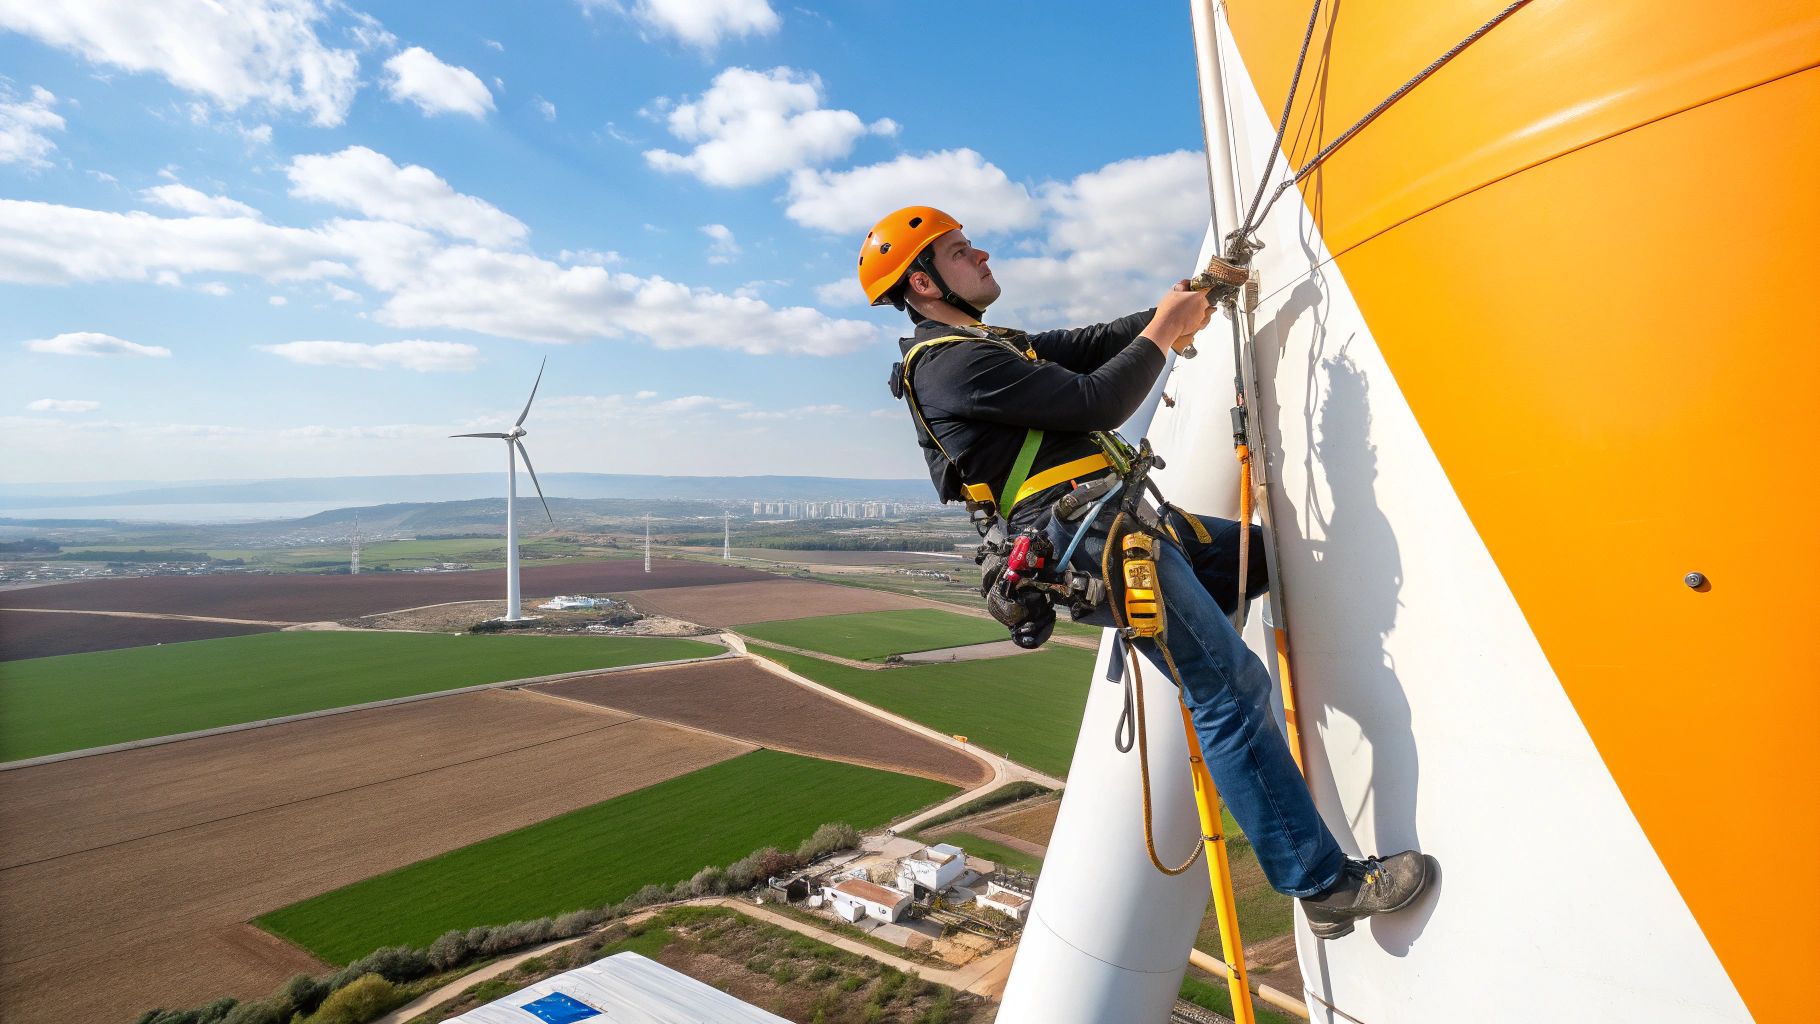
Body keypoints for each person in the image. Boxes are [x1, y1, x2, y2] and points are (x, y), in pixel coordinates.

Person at [864, 205, 1435, 938]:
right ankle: (1322, 884)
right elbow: (1098, 398)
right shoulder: (951, 364)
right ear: (924, 283)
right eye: (958, 250)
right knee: (1229, 692)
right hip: (1094, 541)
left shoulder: (990, 345)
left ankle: (1223, 688)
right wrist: (1166, 330)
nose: (980, 254)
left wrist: (1196, 296)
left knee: (1262, 559)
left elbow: (1092, 344)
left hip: (1123, 525)